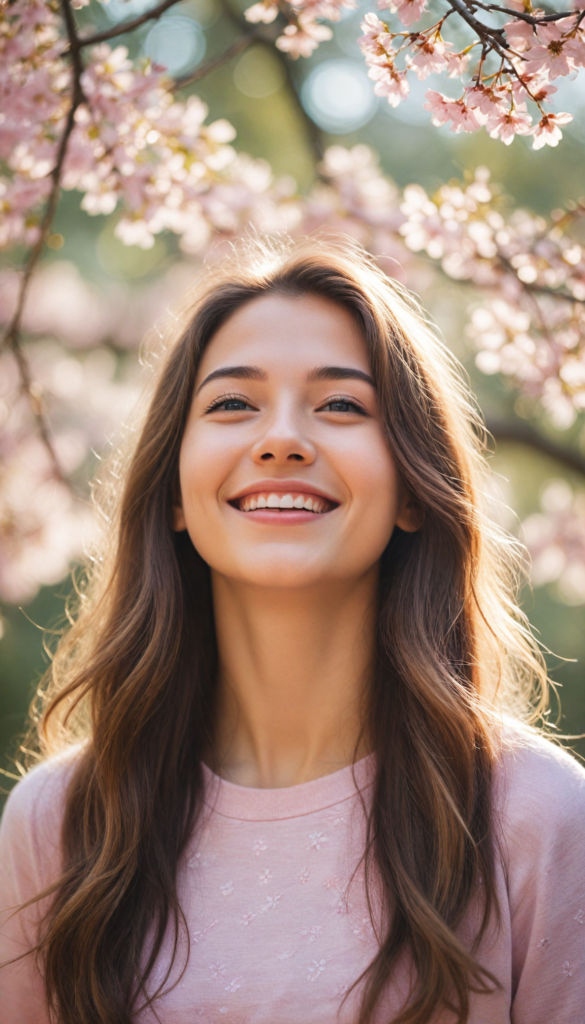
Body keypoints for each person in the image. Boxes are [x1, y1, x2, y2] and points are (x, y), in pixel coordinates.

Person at [0, 236, 584, 1024]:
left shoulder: (533, 813)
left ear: (413, 488)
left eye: (341, 405)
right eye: (232, 404)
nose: (280, 440)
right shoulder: (62, 820)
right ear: (174, 489)